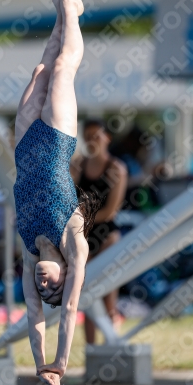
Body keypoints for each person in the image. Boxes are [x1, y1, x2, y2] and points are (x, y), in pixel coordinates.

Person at [13, 0, 100, 385]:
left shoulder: (31, 253)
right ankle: (71, 2)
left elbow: (34, 316)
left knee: (42, 68)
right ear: (65, 274)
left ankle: (62, 13)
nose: (43, 286)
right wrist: (58, 364)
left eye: (41, 287)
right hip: (58, 139)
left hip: (25, 144)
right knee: (64, 69)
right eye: (53, 288)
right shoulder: (74, 243)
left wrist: (36, 362)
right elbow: (67, 312)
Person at [71, 119, 127, 343]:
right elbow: (68, 201)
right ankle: (92, 350)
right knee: (87, 295)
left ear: (107, 138)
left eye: (97, 136)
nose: (92, 140)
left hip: (104, 232)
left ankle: (112, 344)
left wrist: (81, 219)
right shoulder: (77, 166)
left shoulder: (116, 169)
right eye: (88, 136)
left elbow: (110, 212)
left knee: (107, 293)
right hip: (83, 231)